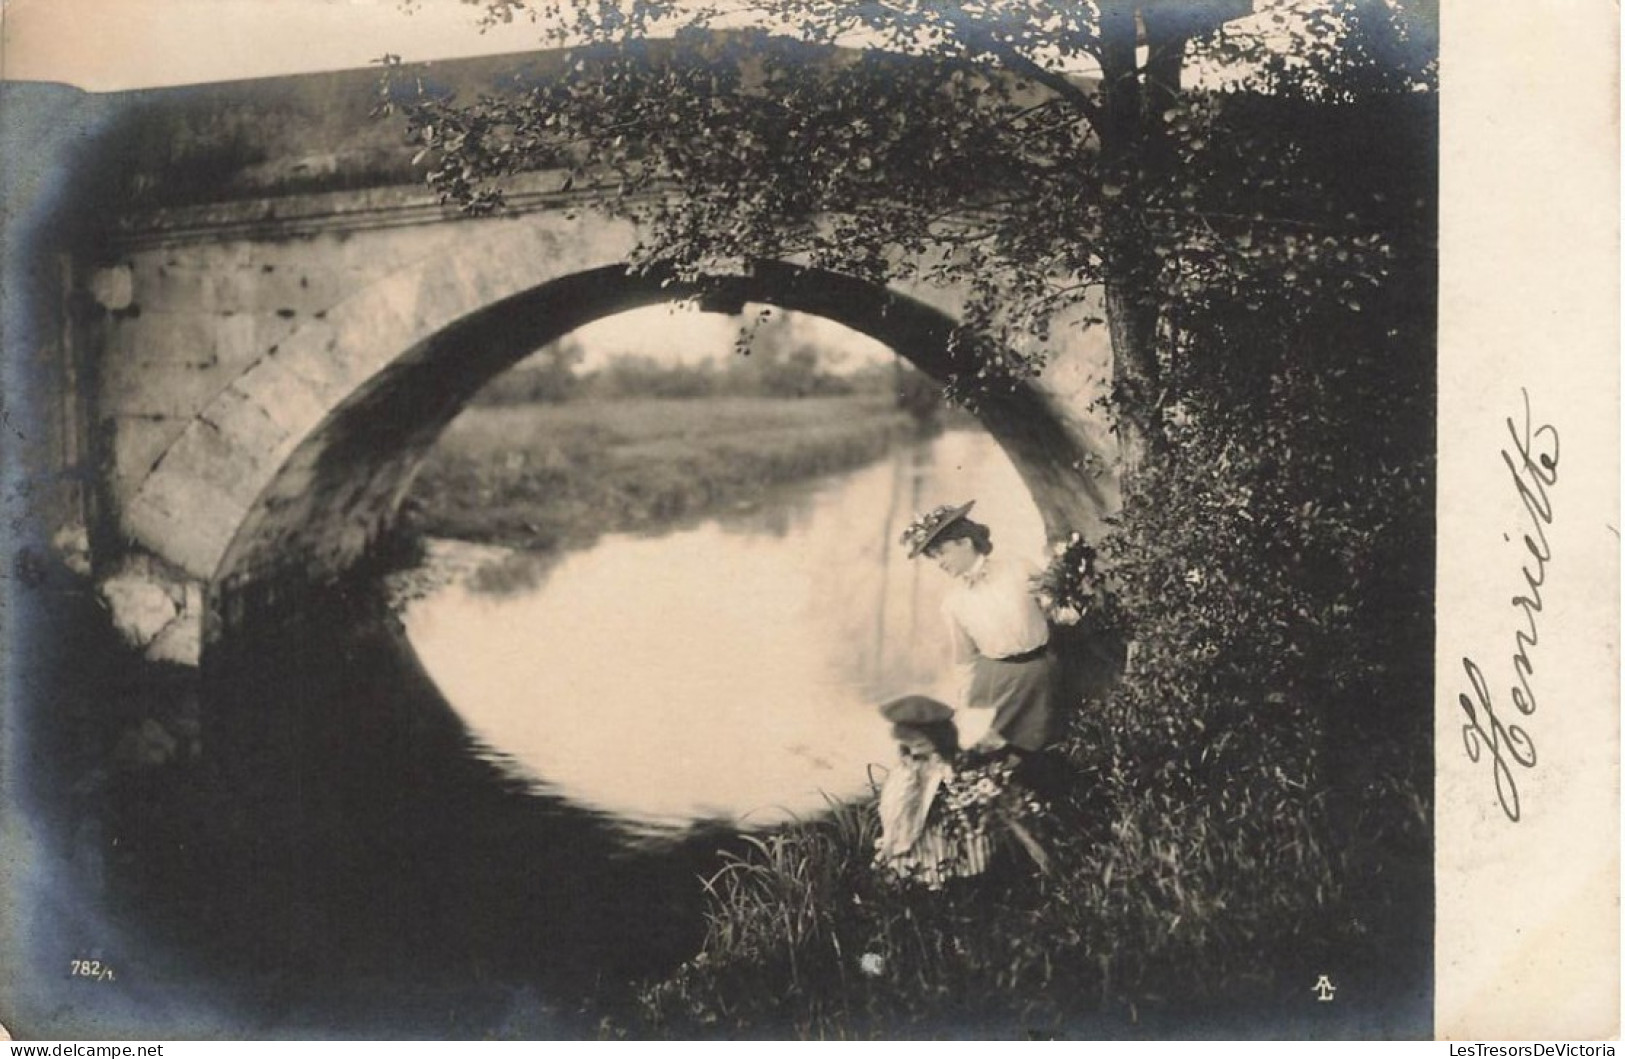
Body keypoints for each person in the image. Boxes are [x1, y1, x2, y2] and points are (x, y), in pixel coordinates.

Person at [899, 500, 1062, 758]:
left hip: (1042, 669)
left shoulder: (1019, 568)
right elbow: (965, 659)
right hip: (997, 681)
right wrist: (965, 705)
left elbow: (1057, 610)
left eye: (942, 552)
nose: (939, 563)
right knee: (991, 753)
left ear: (965, 542)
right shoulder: (953, 604)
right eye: (933, 558)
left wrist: (1067, 604)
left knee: (1047, 744)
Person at [872, 695, 995, 888]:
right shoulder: (908, 766)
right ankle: (918, 878)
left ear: (938, 737)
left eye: (920, 744)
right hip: (915, 819)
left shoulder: (948, 763)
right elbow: (898, 803)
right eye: (909, 744)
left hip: (942, 822)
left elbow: (961, 792)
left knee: (945, 847)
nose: (914, 750)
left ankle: (956, 878)